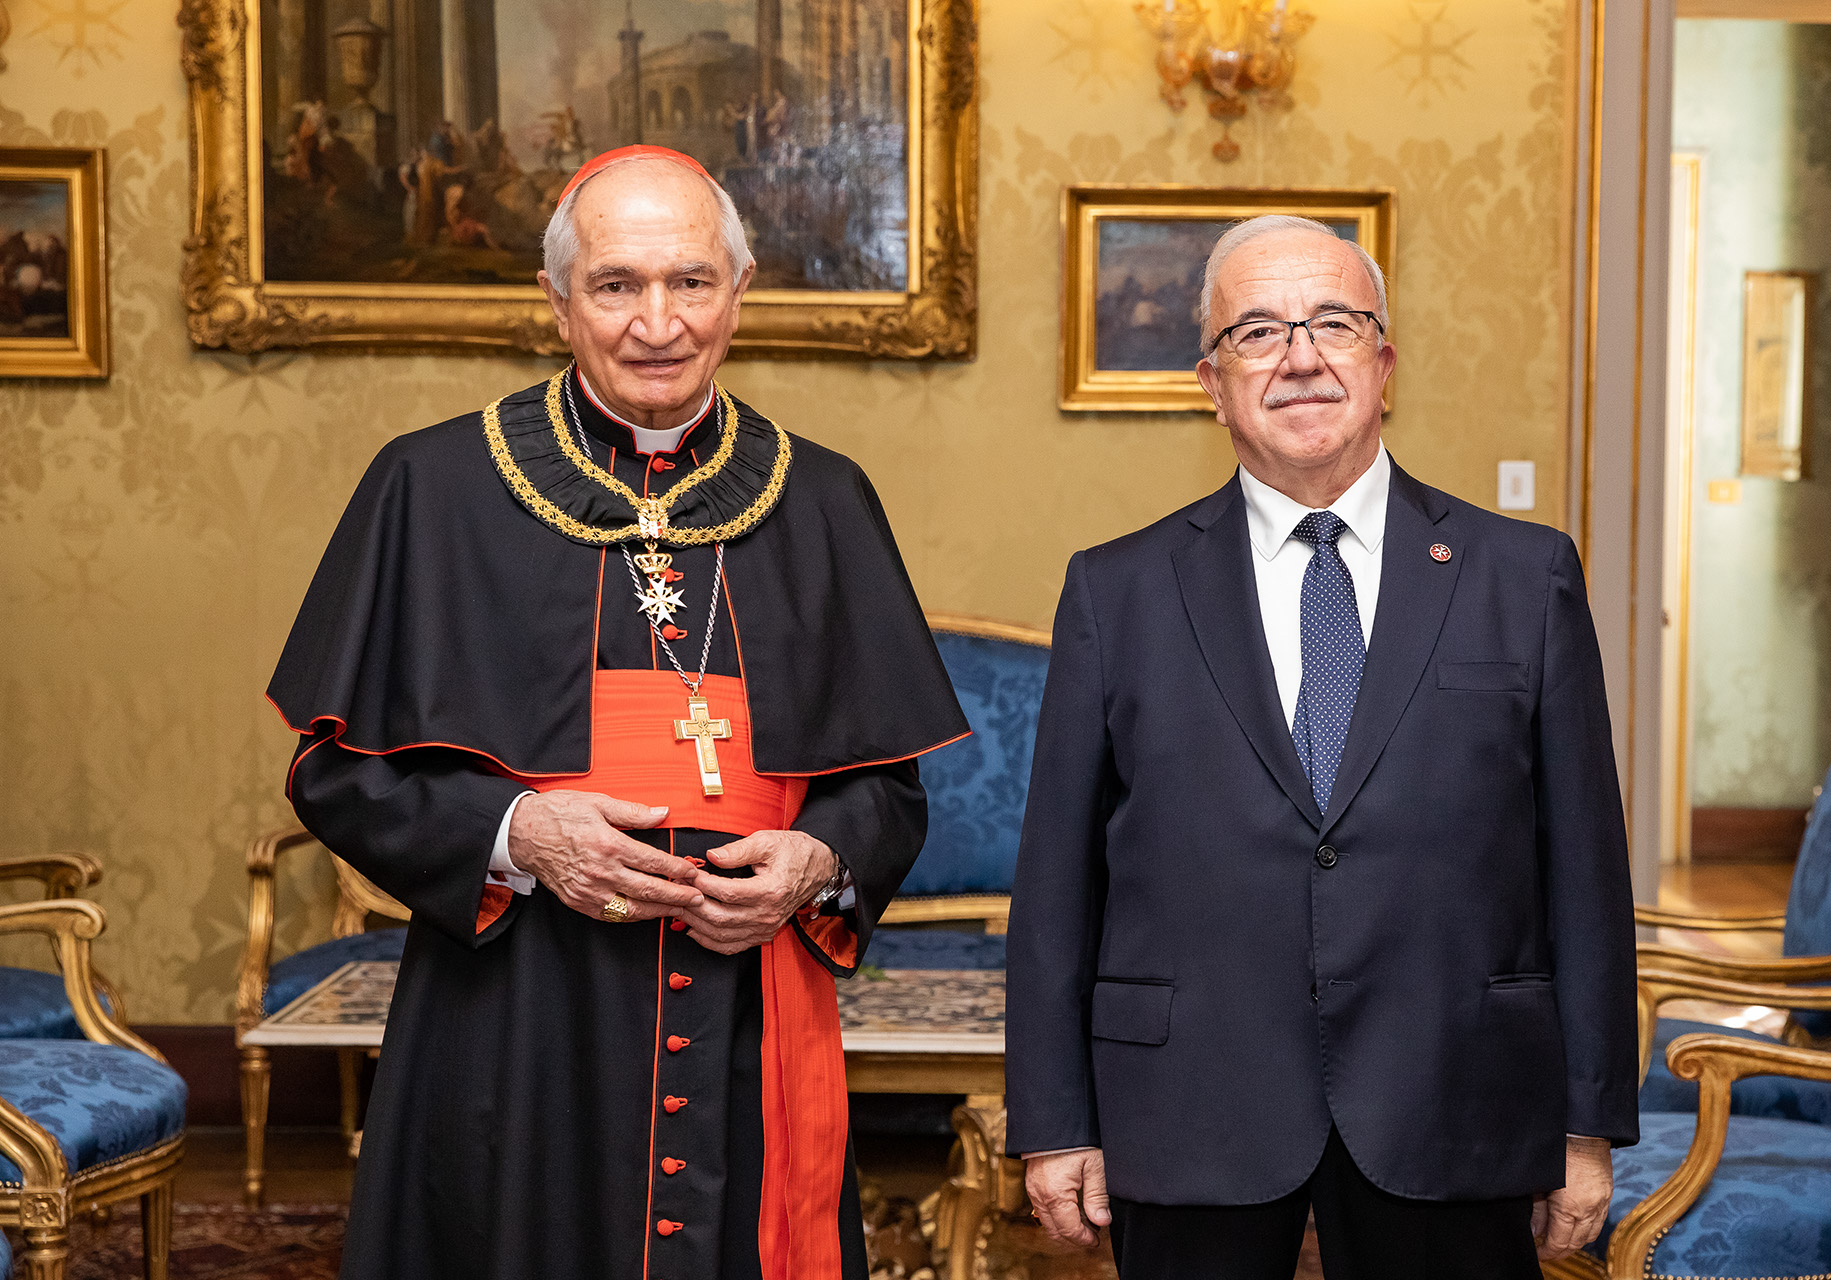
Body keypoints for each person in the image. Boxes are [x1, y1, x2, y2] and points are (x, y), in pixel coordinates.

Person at [269, 144, 968, 1280]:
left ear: (740, 295)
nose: (659, 322)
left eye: (691, 281)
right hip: (519, 1015)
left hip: (753, 1012)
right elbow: (333, 771)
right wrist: (519, 833)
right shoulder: (433, 486)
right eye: (617, 284)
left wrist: (815, 860)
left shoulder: (825, 497)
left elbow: (886, 786)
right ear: (555, 301)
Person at [1005, 215, 1637, 1279]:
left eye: (1333, 323)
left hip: (1455, 1096)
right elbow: (1057, 881)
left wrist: (1585, 1123)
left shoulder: (1522, 576)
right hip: (1192, 1106)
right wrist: (1056, 1117)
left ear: (1383, 364)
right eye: (1257, 332)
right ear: (1211, 382)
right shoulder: (1115, 590)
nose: (1300, 355)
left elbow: (1583, 865)